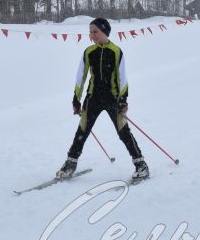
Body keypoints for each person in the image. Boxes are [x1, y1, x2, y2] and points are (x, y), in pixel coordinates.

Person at [56, 18, 149, 181]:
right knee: (82, 131)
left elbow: (123, 78)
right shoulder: (88, 52)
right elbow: (80, 77)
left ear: (104, 32)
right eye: (90, 32)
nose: (92, 35)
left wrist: (123, 100)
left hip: (113, 99)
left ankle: (141, 165)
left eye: (95, 31)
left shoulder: (116, 51)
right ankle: (70, 163)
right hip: (93, 98)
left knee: (123, 132)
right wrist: (76, 99)